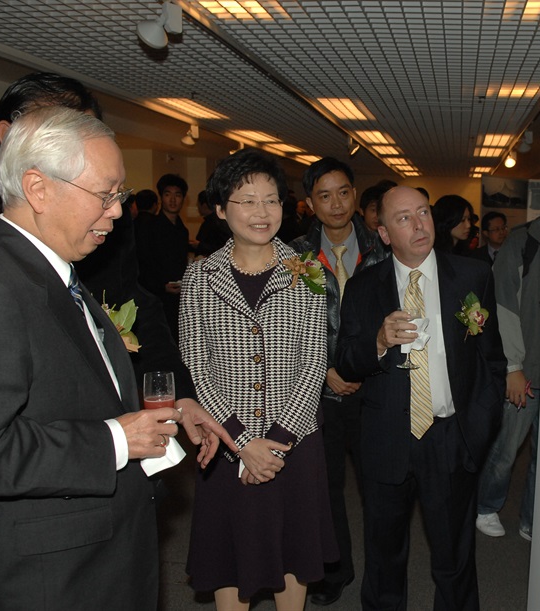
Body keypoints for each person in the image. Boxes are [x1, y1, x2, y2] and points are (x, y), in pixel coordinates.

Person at [0, 72, 233, 610]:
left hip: (98, 555)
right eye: (104, 195)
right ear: (37, 189)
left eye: (119, 195)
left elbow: (76, 388)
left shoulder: (52, 269)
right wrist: (116, 441)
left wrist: (162, 414)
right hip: (49, 578)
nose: (118, 212)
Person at [180, 148, 337, 611]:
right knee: (231, 553)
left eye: (271, 200)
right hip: (226, 440)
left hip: (296, 438)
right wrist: (243, 442)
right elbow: (197, 364)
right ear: (221, 208)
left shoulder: (306, 271)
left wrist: (275, 441)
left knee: (294, 550)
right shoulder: (198, 278)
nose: (261, 212)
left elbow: (313, 362)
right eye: (247, 201)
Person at [335, 186, 506, 610]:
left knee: (454, 557)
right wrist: (377, 341)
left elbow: (492, 361)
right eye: (404, 218)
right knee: (384, 554)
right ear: (385, 233)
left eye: (424, 213)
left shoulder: (472, 276)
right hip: (386, 436)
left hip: (449, 438)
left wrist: (478, 430)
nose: (419, 225)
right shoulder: (362, 288)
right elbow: (346, 361)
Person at [290, 157, 389, 606]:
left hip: (375, 388)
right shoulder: (292, 256)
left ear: (355, 194)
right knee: (324, 488)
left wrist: (362, 366)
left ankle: (383, 574)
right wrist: (326, 368)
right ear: (310, 203)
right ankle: (334, 571)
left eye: (343, 192)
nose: (336, 204)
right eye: (324, 196)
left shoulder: (383, 248)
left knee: (379, 487)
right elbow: (289, 327)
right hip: (319, 392)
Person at [475, 214, 540, 541]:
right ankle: (485, 506)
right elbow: (503, 306)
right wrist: (513, 367)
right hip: (526, 368)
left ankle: (531, 519)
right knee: (507, 448)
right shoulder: (521, 245)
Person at [136, 173, 190, 340]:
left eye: (177, 195)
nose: (173, 200)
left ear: (183, 199)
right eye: (168, 195)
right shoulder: (150, 228)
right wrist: (161, 286)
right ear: (161, 198)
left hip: (179, 297)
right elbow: (143, 264)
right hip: (156, 297)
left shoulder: (182, 230)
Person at [194, 189, 232, 256]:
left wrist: (199, 245)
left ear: (204, 205)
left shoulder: (215, 223)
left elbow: (221, 247)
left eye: (198, 204)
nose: (197, 206)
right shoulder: (216, 221)